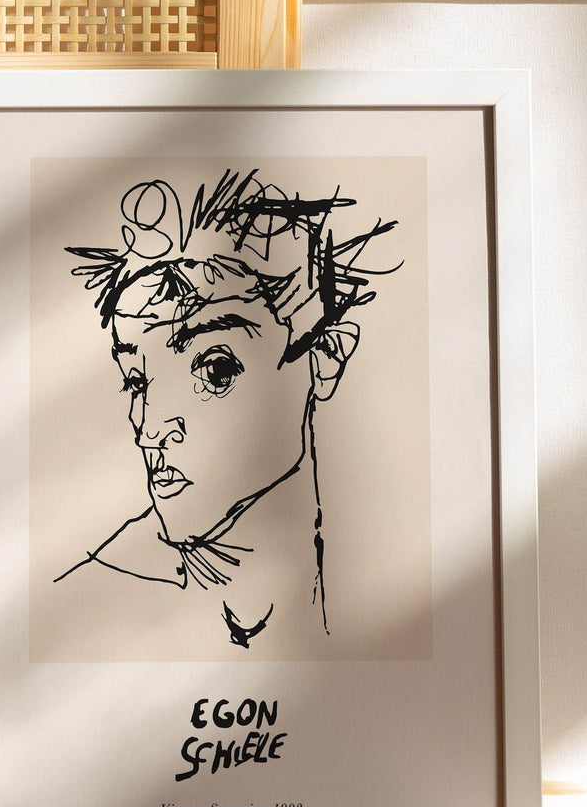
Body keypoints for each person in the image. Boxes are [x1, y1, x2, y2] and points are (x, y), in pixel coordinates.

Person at [55, 167, 400, 647]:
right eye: (136, 381)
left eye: (215, 370)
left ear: (323, 358)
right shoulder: (96, 611)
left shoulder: (392, 577)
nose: (148, 429)